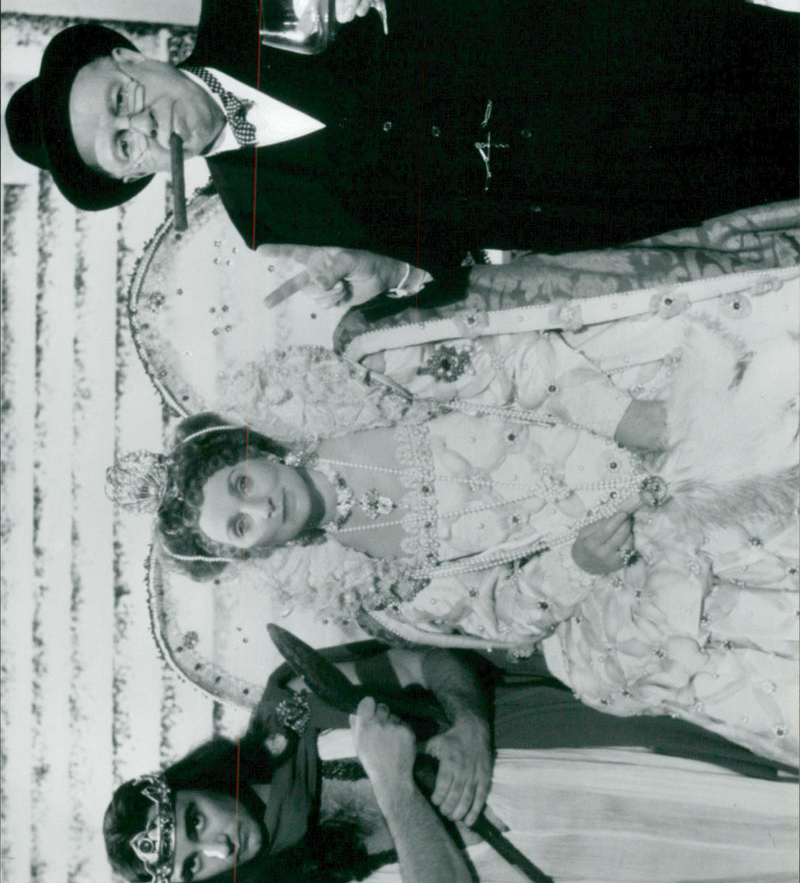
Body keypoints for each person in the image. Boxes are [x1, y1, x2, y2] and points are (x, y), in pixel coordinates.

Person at [106, 264, 799, 768]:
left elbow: (522, 365)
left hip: (611, 420)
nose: (259, 504)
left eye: (241, 482)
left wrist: (631, 420)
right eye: (240, 524)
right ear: (249, 552)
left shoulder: (369, 383)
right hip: (613, 552)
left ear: (251, 451)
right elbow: (502, 615)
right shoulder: (385, 591)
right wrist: (577, 563)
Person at [7, 0, 798, 316]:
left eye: (120, 100)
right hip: (615, 191)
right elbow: (451, 265)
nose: (142, 125)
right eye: (122, 147)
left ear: (133, 60)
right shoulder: (269, 220)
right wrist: (397, 272)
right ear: (137, 174)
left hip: (615, 47)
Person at [104, 646, 798, 883]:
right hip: (614, 876)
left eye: (196, 823)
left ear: (194, 784)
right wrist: (395, 788)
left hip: (596, 747)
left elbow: (433, 655)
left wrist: (466, 721)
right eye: (197, 865)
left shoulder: (291, 702)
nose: (222, 845)